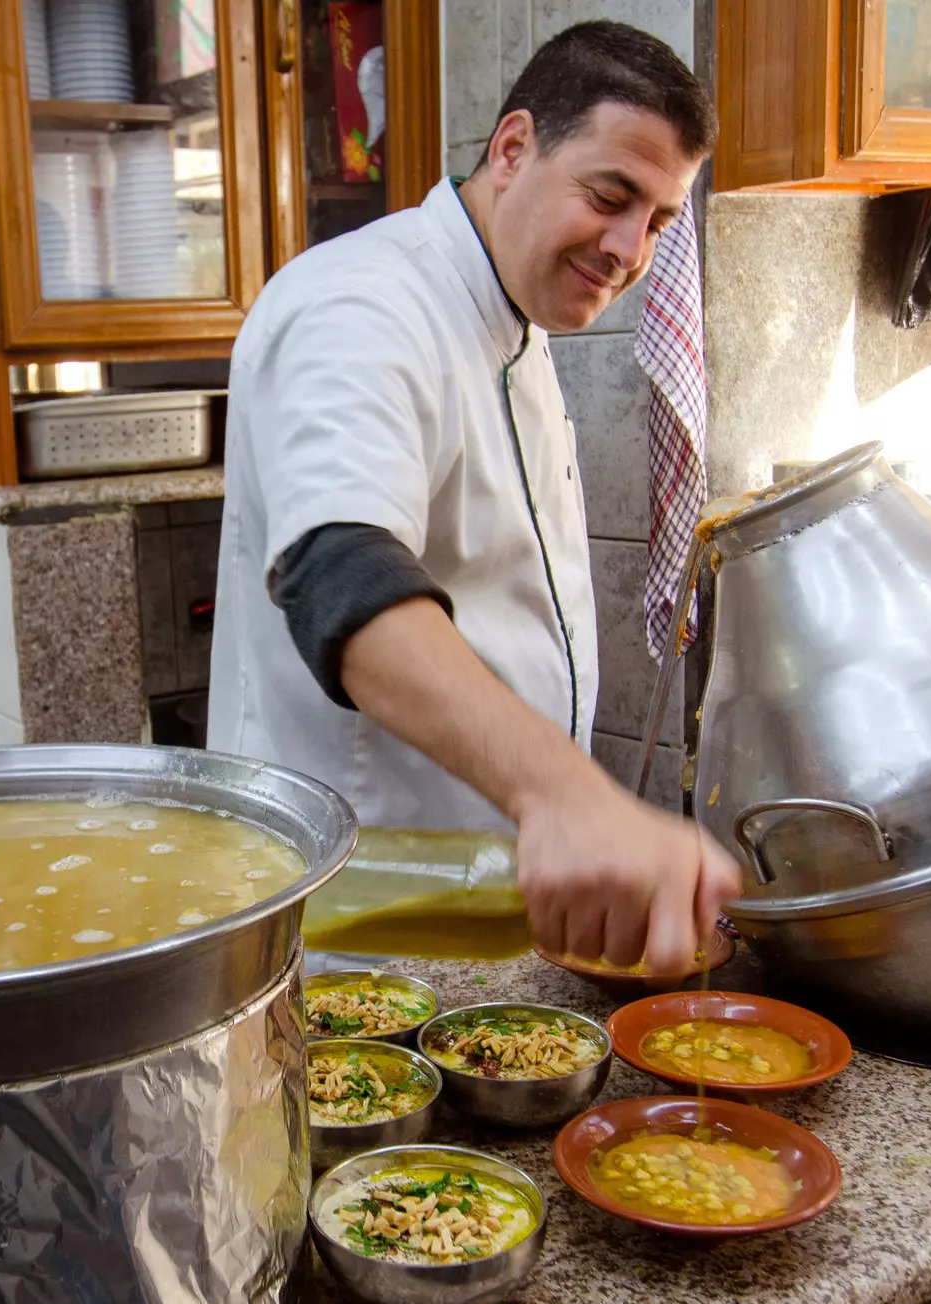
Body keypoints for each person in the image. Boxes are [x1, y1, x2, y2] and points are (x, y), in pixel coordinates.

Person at [208, 22, 738, 978]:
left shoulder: (514, 318)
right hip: (361, 937)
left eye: (658, 221)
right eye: (611, 197)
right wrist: (565, 796)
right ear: (512, 148)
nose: (629, 250)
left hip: (471, 913)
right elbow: (343, 577)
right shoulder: (361, 304)